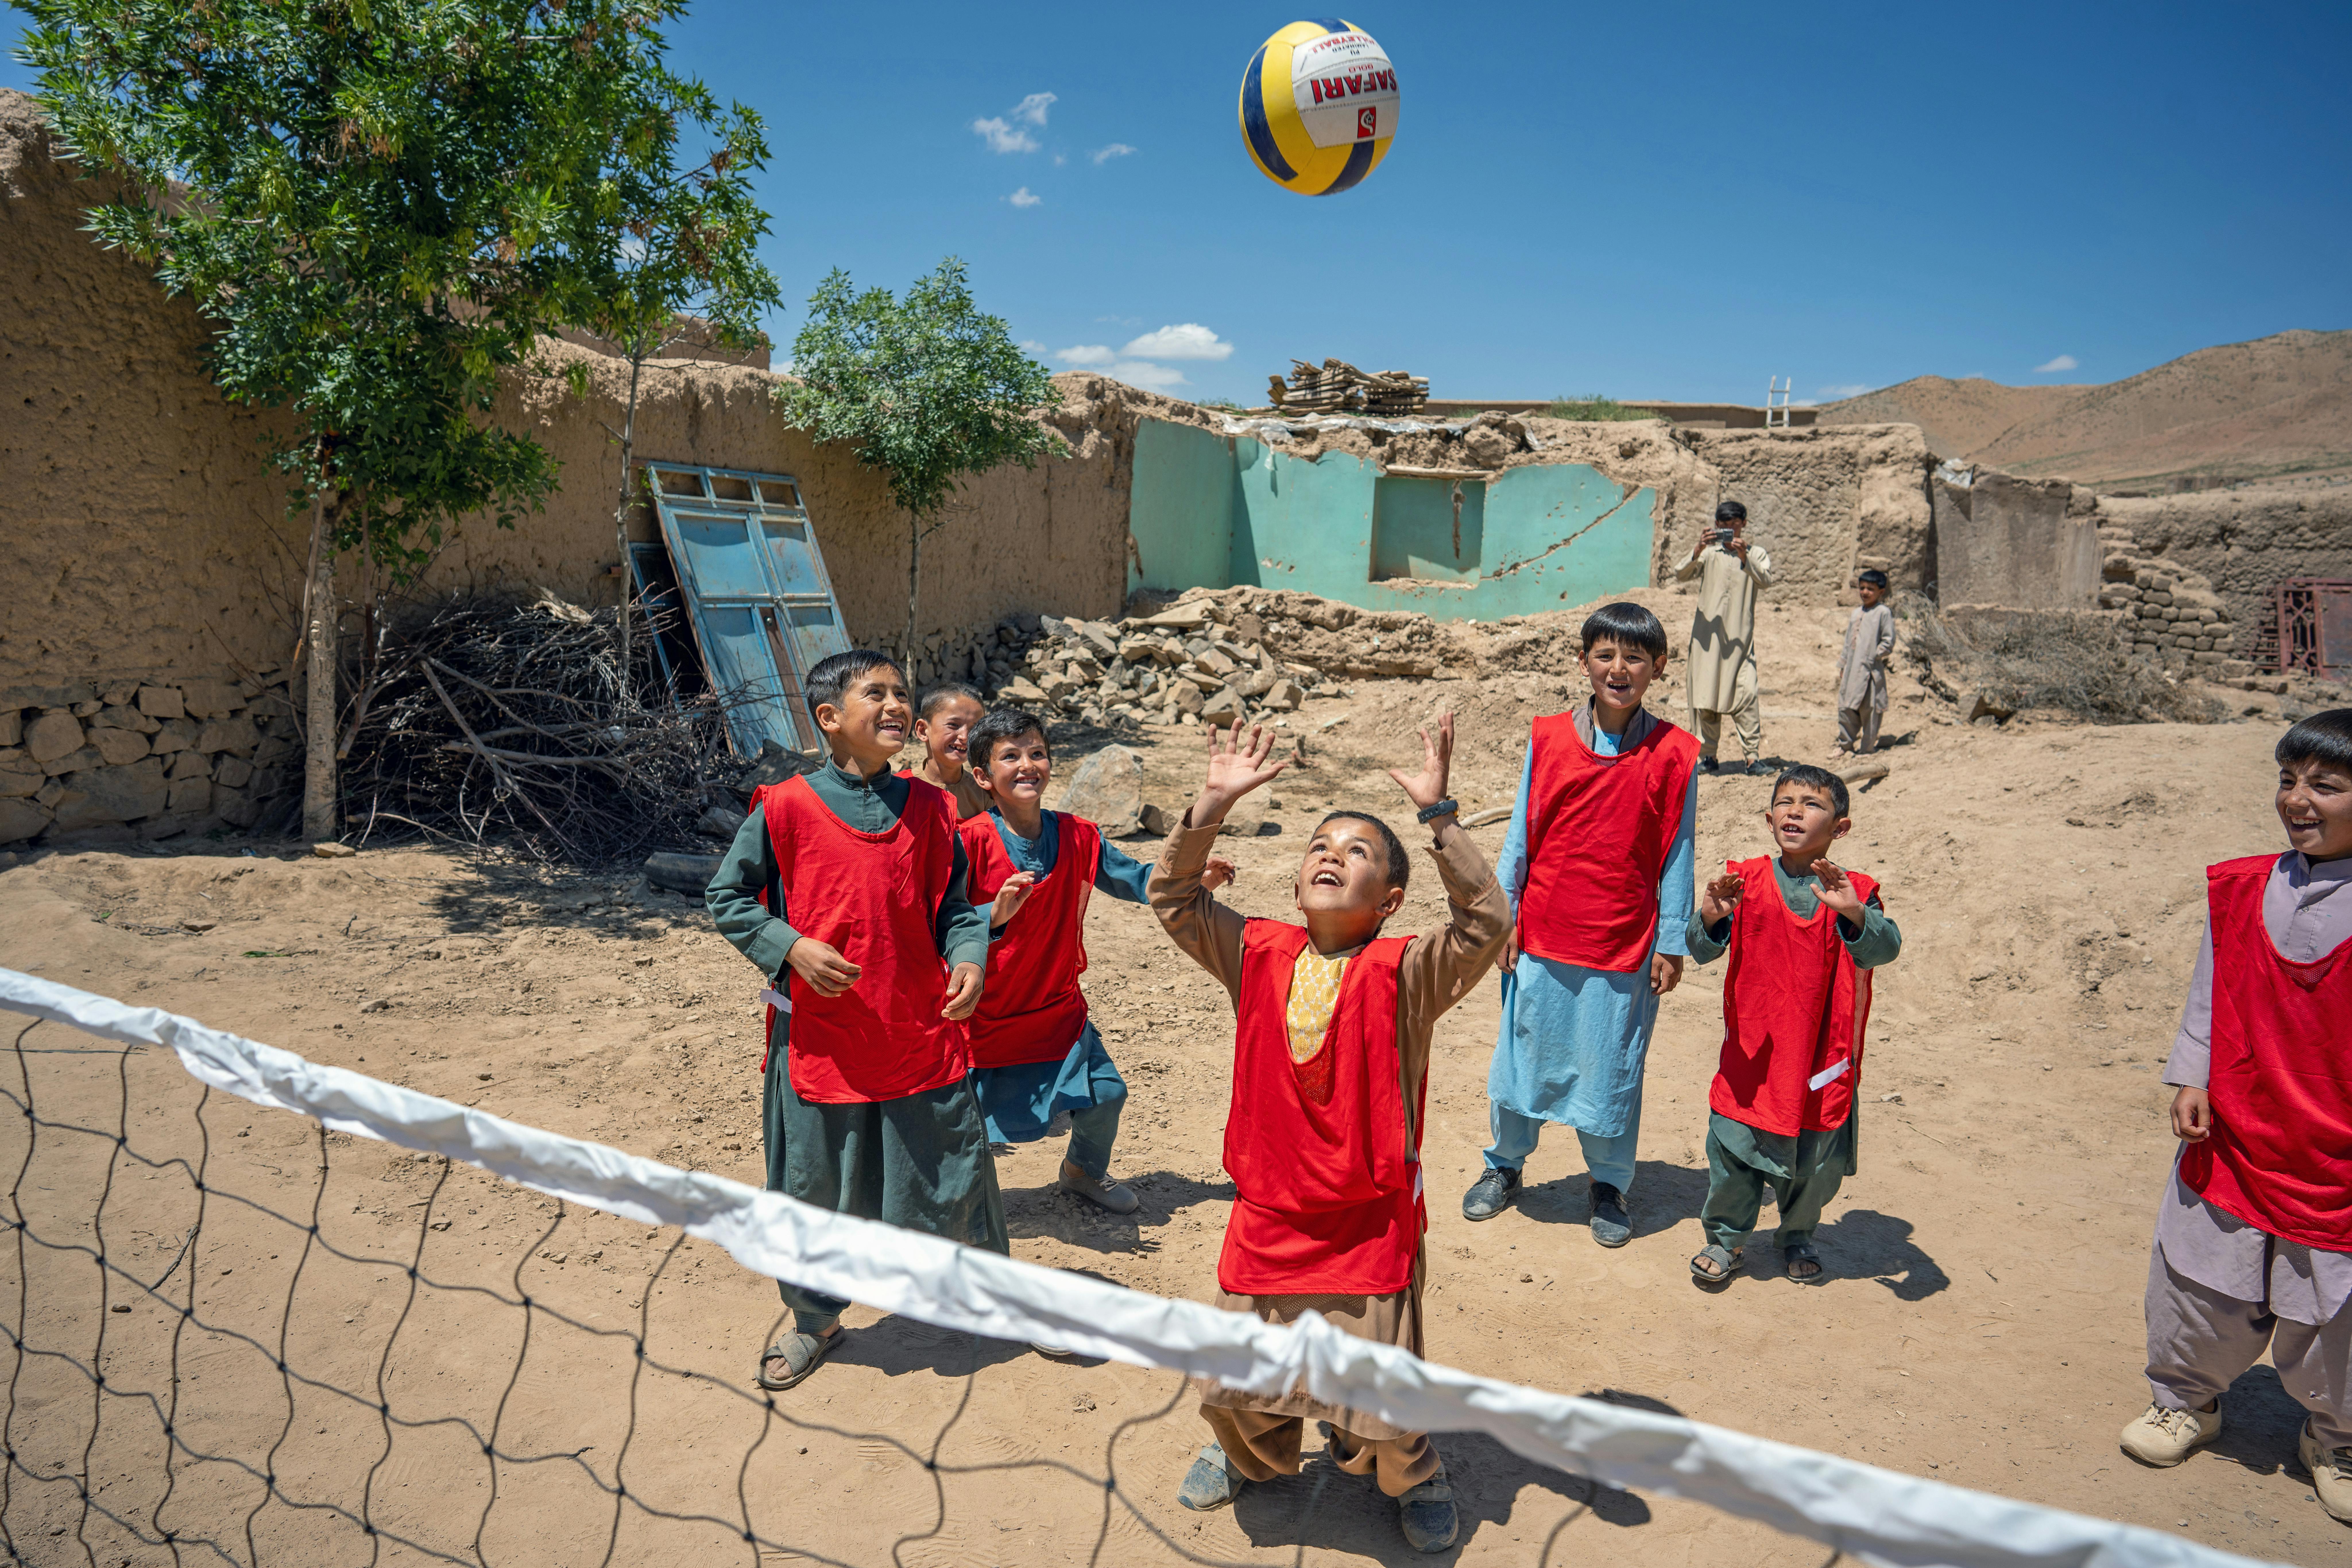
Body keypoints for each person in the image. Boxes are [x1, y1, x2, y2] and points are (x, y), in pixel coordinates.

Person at [1151, 718, 1506, 1555]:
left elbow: (1487, 924)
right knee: (1239, 1381)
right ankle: (1252, 1456)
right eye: (1320, 843)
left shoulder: (1407, 972)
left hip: (1367, 1218)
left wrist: (1440, 818)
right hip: (1269, 1212)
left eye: (1357, 851)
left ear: (1388, 902)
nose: (1331, 854)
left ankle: (1413, 1474)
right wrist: (1212, 804)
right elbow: (1172, 898)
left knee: (1380, 1400)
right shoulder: (1256, 950)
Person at [705, 650, 1001, 1393]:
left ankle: (1001, 1301)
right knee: (812, 1185)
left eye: (904, 692)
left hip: (919, 1034)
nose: (898, 704)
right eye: (878, 693)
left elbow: (957, 910)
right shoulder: (784, 806)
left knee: (955, 1172)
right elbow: (730, 898)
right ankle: (815, 1321)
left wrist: (969, 956)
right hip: (820, 1041)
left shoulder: (935, 810)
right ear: (830, 717)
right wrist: (791, 946)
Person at [2119, 708, 2352, 1524]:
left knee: (2337, 1305)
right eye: (2289, 779)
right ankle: (2187, 1397)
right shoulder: (2246, 885)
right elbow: (2210, 985)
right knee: (2199, 1277)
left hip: (2338, 1154)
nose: (2298, 798)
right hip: (2239, 1129)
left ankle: (2336, 1434)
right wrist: (2193, 1073)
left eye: (2326, 785)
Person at [1463, 602, 1698, 1247]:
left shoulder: (1676, 754)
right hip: (1541, 936)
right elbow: (1520, 837)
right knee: (1521, 1063)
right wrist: (1503, 918)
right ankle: (1503, 1167)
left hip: (1623, 944)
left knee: (1612, 1071)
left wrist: (1670, 941)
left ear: (1658, 667)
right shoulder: (1546, 738)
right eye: (1605, 655)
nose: (1618, 669)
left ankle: (1609, 1184)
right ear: (1583, 661)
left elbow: (1679, 852)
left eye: (1634, 658)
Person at [959, 706, 1231, 1213]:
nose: (1027, 765)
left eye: (1037, 753)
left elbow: (1137, 879)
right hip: (984, 1013)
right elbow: (944, 917)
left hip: (1057, 1007)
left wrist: (1193, 879)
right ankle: (956, 1197)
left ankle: (1083, 1171)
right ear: (982, 776)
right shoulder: (968, 841)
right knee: (963, 1120)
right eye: (1011, 756)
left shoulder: (1080, 835)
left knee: (1106, 1094)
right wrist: (990, 913)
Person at [1684, 765, 1901, 1287]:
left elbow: (1885, 948)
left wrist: (1853, 913)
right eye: (1785, 802)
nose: (1795, 811)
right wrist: (1712, 917)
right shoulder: (1745, 880)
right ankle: (1726, 1239)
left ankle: (1797, 1235)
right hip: (1755, 1053)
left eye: (1811, 804)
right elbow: (1699, 948)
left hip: (1820, 1056)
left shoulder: (1856, 889)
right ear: (1768, 818)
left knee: (1813, 1161)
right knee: (1733, 1150)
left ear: (1840, 827)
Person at [1674, 500, 1776, 775]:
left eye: (1735, 525)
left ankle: (1753, 758)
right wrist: (1698, 548)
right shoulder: (1709, 554)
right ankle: (1708, 756)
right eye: (1724, 525)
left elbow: (1766, 580)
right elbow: (1680, 574)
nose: (1730, 529)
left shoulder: (1756, 553)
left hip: (1740, 642)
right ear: (1717, 526)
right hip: (1707, 642)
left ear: (1743, 524)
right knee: (1706, 697)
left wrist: (1745, 558)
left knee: (1747, 695)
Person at [908, 681, 992, 820]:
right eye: (954, 725)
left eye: (974, 729)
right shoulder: (903, 789)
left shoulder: (984, 794)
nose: (965, 737)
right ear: (923, 730)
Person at [1834, 571, 1896, 758]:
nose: (1865, 592)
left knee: (1870, 709)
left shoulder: (1883, 613)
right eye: (1862, 588)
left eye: (1871, 589)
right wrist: (1844, 665)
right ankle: (1845, 745)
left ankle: (1867, 749)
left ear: (1881, 592)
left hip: (1871, 671)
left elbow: (1889, 641)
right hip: (1852, 669)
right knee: (1846, 707)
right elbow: (1848, 643)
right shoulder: (1856, 614)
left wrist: (1873, 655)